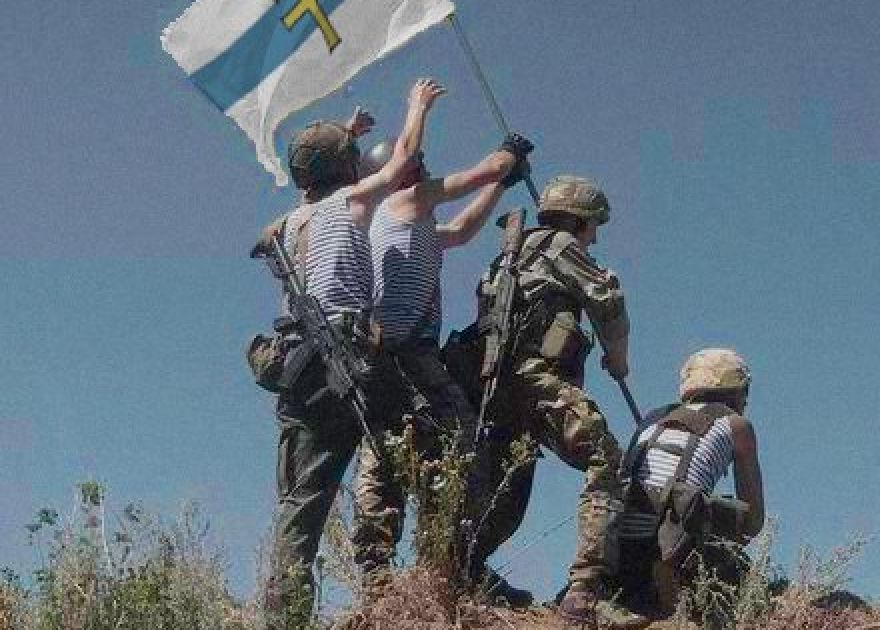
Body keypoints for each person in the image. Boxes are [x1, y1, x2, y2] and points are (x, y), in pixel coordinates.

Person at [348, 77, 535, 597]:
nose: (426, 169)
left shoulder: (406, 219)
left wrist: (502, 185)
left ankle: (379, 575)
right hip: (411, 354)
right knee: (464, 448)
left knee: (385, 450)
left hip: (386, 354)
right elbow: (479, 171)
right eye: (420, 165)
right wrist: (507, 157)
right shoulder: (405, 201)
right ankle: (451, 563)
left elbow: (463, 230)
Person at [257, 81, 431, 629]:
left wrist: (344, 134)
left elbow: (317, 174)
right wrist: (417, 107)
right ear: (346, 168)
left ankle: (286, 618)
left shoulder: (289, 224)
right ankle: (430, 575)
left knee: (302, 504)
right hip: (347, 363)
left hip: (301, 370)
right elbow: (401, 160)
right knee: (425, 448)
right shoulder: (352, 203)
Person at [464, 175, 647, 628]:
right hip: (536, 378)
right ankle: (586, 591)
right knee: (605, 457)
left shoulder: (507, 256)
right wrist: (618, 358)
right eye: (594, 226)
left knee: (512, 476)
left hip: (495, 386)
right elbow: (608, 301)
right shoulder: (562, 245)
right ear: (580, 220)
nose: (594, 237)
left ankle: (464, 567)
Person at [614, 348, 765, 620]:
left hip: (618, 554)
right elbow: (753, 522)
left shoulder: (652, 419)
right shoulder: (737, 426)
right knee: (729, 526)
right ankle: (674, 590)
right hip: (670, 552)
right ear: (735, 391)